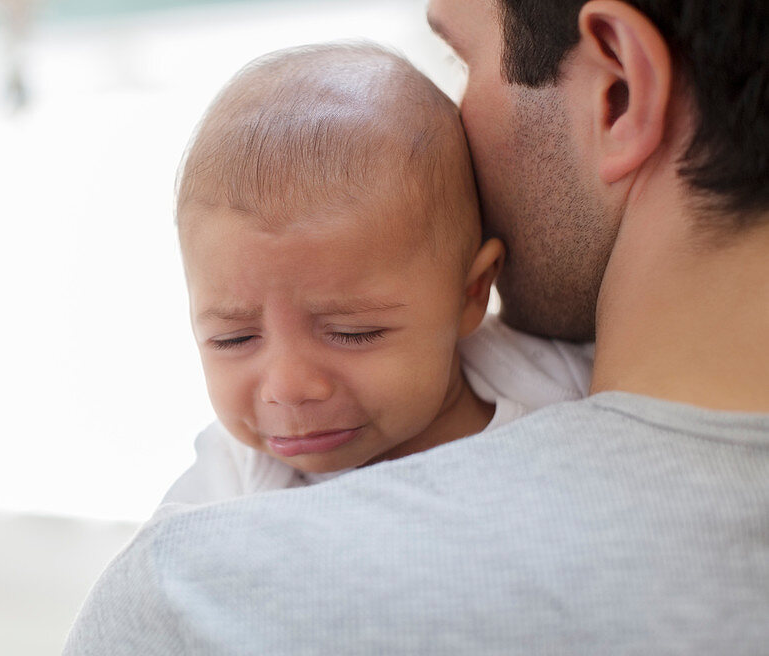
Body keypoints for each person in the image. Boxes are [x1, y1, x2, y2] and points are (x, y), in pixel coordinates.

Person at [39, 0, 769, 656]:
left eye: (463, 62)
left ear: (618, 93)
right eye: (232, 339)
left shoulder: (197, 616)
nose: (290, 386)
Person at [162, 43, 591, 507]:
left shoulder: (554, 381)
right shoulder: (229, 487)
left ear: (471, 293)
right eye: (233, 339)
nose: (288, 388)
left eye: (353, 333)